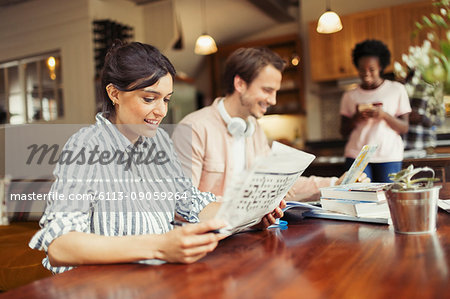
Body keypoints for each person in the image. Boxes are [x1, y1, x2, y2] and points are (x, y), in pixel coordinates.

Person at [29, 42, 284, 274]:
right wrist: (160, 246)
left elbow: (192, 203)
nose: (161, 111)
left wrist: (250, 214)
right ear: (114, 94)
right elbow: (60, 246)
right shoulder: (85, 146)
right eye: (149, 98)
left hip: (154, 279)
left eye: (166, 100)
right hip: (102, 284)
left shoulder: (159, 142)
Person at [172, 47, 368, 201]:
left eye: (275, 92)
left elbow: (280, 183)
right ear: (240, 84)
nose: (273, 100)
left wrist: (336, 183)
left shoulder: (254, 129)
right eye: (267, 90)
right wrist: (248, 202)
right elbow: (182, 202)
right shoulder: (193, 129)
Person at [340, 39, 411, 182]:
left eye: (371, 69)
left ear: (381, 67)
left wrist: (384, 115)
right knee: (358, 197)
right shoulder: (349, 96)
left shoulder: (396, 89)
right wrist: (356, 118)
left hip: (389, 155)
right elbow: (343, 131)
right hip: (357, 155)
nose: (366, 74)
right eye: (361, 69)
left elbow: (404, 127)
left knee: (386, 198)